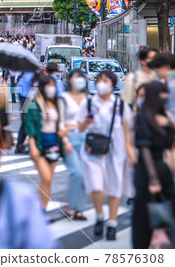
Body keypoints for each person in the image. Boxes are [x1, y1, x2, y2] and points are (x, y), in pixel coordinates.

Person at [78, 71, 136, 240]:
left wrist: (130, 151)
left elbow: (127, 129)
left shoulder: (120, 105)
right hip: (93, 151)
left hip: (116, 152)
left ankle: (112, 223)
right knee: (96, 186)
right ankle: (99, 215)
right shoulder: (89, 103)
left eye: (105, 80)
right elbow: (79, 127)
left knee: (114, 187)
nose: (101, 83)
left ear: (112, 84)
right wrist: (85, 123)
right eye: (99, 80)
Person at [133, 81, 175, 249]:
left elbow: (169, 142)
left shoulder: (163, 116)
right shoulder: (143, 117)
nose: (164, 97)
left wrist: (169, 124)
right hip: (147, 171)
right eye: (161, 93)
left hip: (163, 169)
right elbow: (144, 148)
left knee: (167, 214)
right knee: (143, 216)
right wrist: (152, 178)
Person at [26, 75, 64, 208]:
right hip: (39, 143)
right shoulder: (34, 103)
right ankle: (36, 208)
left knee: (47, 181)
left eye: (53, 85)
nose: (51, 88)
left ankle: (42, 210)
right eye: (48, 85)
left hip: (53, 142)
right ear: (42, 87)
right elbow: (30, 126)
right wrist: (32, 146)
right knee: (46, 177)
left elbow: (60, 124)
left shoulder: (56, 103)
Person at [58, 70, 87, 220]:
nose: (79, 80)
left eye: (81, 78)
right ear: (69, 80)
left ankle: (78, 208)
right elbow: (60, 122)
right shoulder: (63, 98)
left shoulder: (87, 98)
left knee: (84, 174)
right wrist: (65, 141)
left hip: (85, 137)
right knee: (77, 172)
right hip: (69, 137)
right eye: (76, 78)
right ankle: (71, 205)